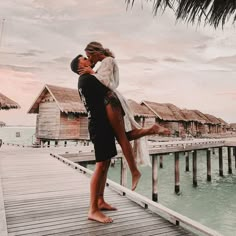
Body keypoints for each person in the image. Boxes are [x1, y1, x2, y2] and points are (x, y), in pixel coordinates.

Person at [79, 41, 170, 166]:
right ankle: (150, 130)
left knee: (121, 136)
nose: (89, 60)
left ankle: (134, 169)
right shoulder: (106, 62)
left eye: (89, 56)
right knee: (122, 135)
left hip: (111, 99)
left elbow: (105, 82)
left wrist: (92, 73)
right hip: (111, 98)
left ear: (95, 53)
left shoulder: (108, 61)